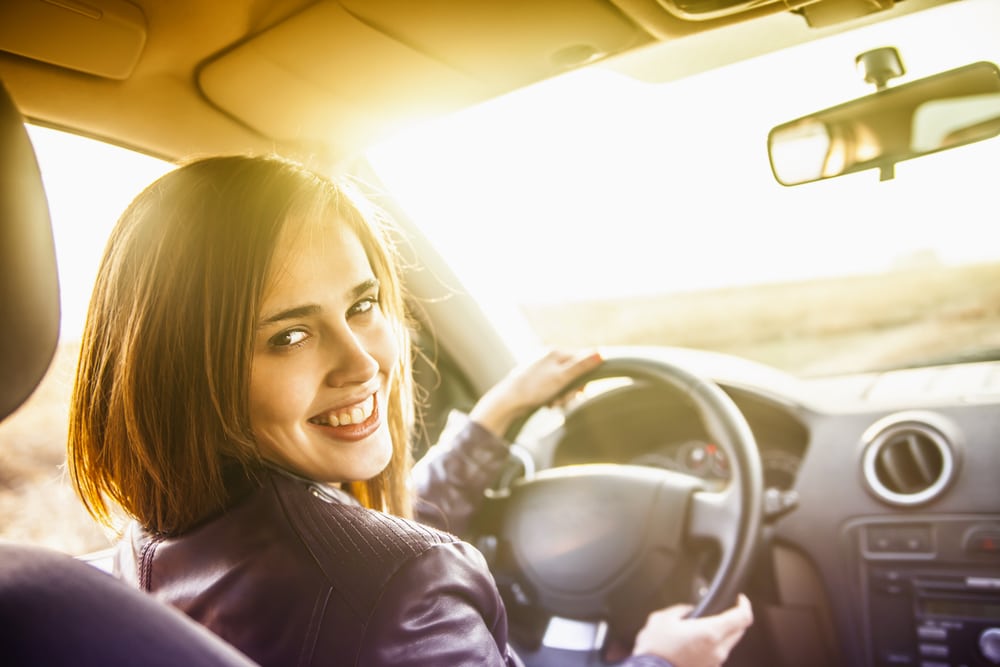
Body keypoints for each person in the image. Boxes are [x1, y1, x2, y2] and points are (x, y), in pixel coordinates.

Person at [68, 154, 752, 667]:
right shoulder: (406, 593)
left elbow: (347, 549)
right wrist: (661, 658)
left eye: (363, 306)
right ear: (183, 370)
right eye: (290, 336)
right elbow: (375, 571)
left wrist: (491, 420)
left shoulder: (163, 541)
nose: (363, 362)